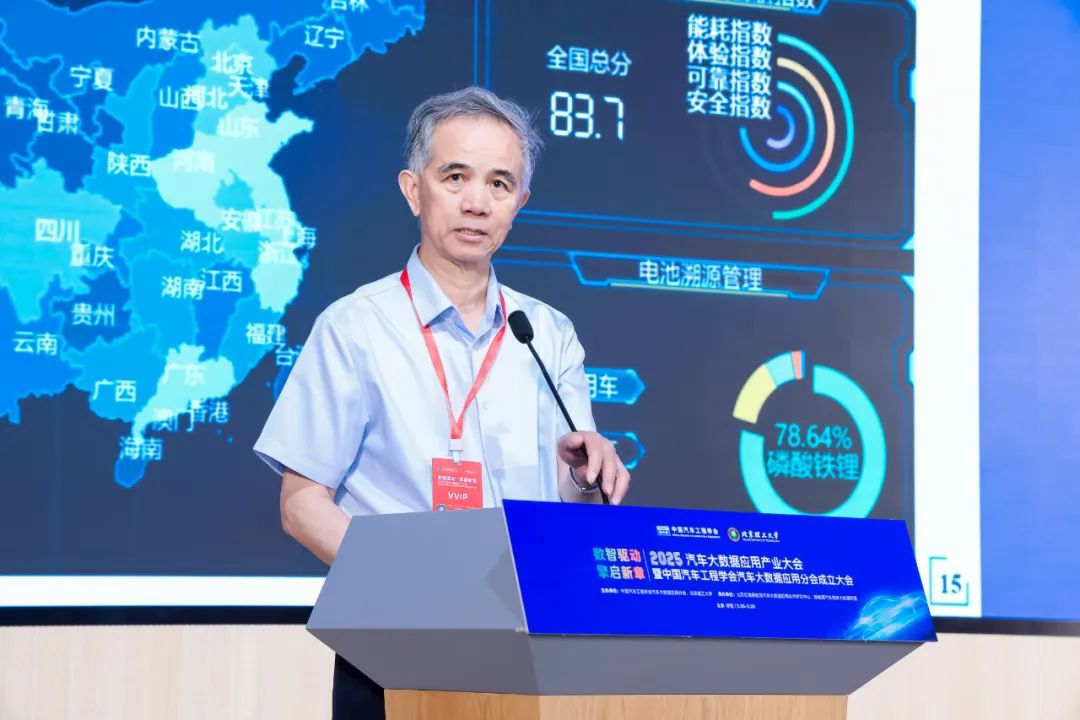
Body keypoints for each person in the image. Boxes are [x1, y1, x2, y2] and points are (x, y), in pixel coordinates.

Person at [253, 86, 631, 720]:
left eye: (500, 184)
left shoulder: (547, 333)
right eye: (455, 177)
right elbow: (301, 505)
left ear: (520, 203)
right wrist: (418, 593)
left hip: (531, 646)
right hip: (395, 646)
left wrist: (586, 478)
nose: (477, 202)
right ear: (413, 189)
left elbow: (575, 511)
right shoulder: (356, 327)